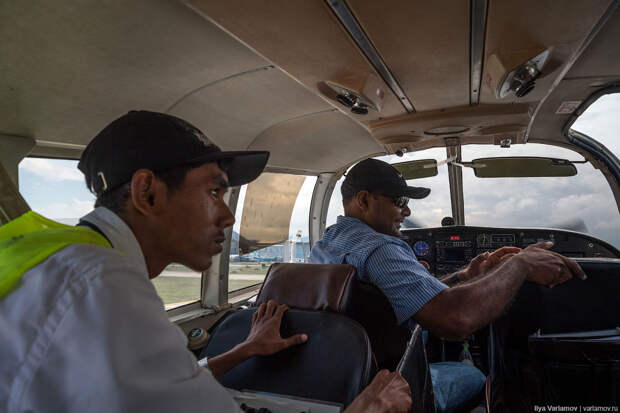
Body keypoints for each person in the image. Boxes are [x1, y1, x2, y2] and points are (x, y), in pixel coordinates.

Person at [0, 111, 411, 413]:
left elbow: (162, 387)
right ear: (148, 193)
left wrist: (245, 350)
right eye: (214, 192)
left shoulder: (68, 259)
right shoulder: (101, 285)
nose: (228, 216)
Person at [310, 158, 588, 413]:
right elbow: (456, 320)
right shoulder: (381, 248)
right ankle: (465, 362)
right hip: (382, 387)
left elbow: (402, 297)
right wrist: (520, 265)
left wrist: (463, 277)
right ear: (364, 200)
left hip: (339, 375)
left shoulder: (327, 243)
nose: (406, 210)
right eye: (399, 200)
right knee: (475, 375)